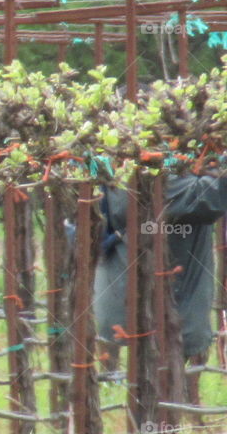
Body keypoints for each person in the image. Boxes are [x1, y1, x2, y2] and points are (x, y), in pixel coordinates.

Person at [94, 174, 227, 405]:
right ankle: (163, 408)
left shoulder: (116, 174)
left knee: (154, 355)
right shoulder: (157, 180)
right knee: (159, 362)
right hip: (155, 298)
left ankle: (160, 403)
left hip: (129, 294)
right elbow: (208, 197)